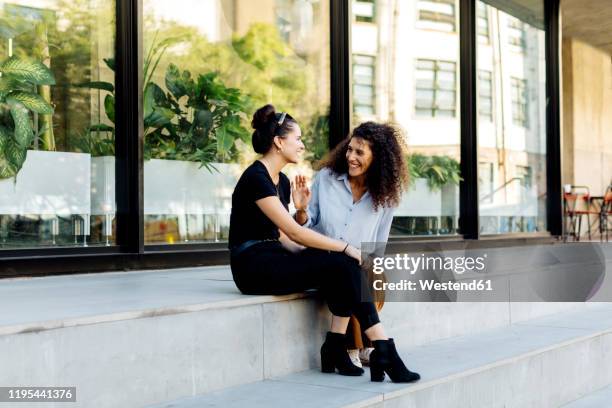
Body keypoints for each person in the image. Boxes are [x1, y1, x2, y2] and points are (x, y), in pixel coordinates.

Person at [228, 104, 420, 383]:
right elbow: (294, 232)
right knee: (341, 258)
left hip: (273, 257)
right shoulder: (255, 178)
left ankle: (338, 347)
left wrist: (322, 254)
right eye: (298, 139)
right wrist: (340, 247)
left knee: (339, 264)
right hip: (251, 267)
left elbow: (284, 237)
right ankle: (382, 348)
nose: (302, 145)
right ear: (279, 142)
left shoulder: (279, 180)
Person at [294, 121, 408, 368]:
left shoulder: (386, 194)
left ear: (377, 158)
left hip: (358, 260)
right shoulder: (327, 178)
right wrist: (301, 210)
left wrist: (370, 264)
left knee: (362, 272)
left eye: (360, 152)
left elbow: (379, 242)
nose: (351, 157)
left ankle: (357, 347)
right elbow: (305, 225)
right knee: (349, 272)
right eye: (349, 150)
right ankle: (362, 346)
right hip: (323, 256)